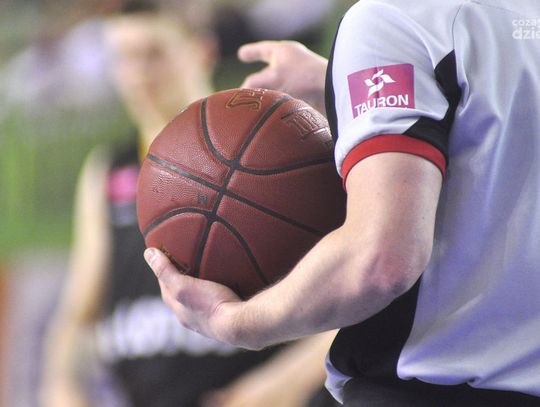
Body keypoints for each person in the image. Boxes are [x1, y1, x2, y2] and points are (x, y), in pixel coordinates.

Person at [144, 0, 540, 405]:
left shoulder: (393, 19)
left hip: (431, 389)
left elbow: (381, 260)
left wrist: (234, 322)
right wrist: (346, 82)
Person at [40, 1, 337, 406]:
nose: (138, 74)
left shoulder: (269, 150)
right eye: (123, 58)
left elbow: (350, 290)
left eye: (153, 54)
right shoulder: (108, 170)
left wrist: (276, 387)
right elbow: (79, 314)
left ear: (201, 51)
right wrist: (63, 389)